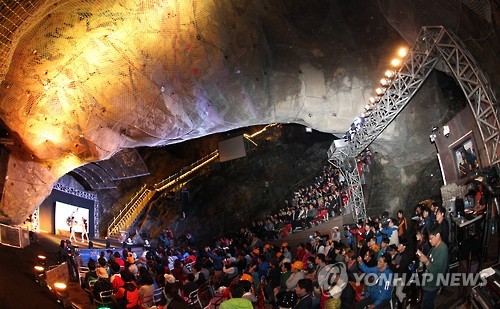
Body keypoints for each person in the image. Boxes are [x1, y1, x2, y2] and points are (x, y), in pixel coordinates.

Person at [417, 225, 448, 309]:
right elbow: (430, 258)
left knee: (427, 305)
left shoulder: (442, 250)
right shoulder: (434, 247)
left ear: (438, 235)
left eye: (431, 238)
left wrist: (426, 262)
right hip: (427, 282)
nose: (429, 241)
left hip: (432, 286)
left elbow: (438, 272)